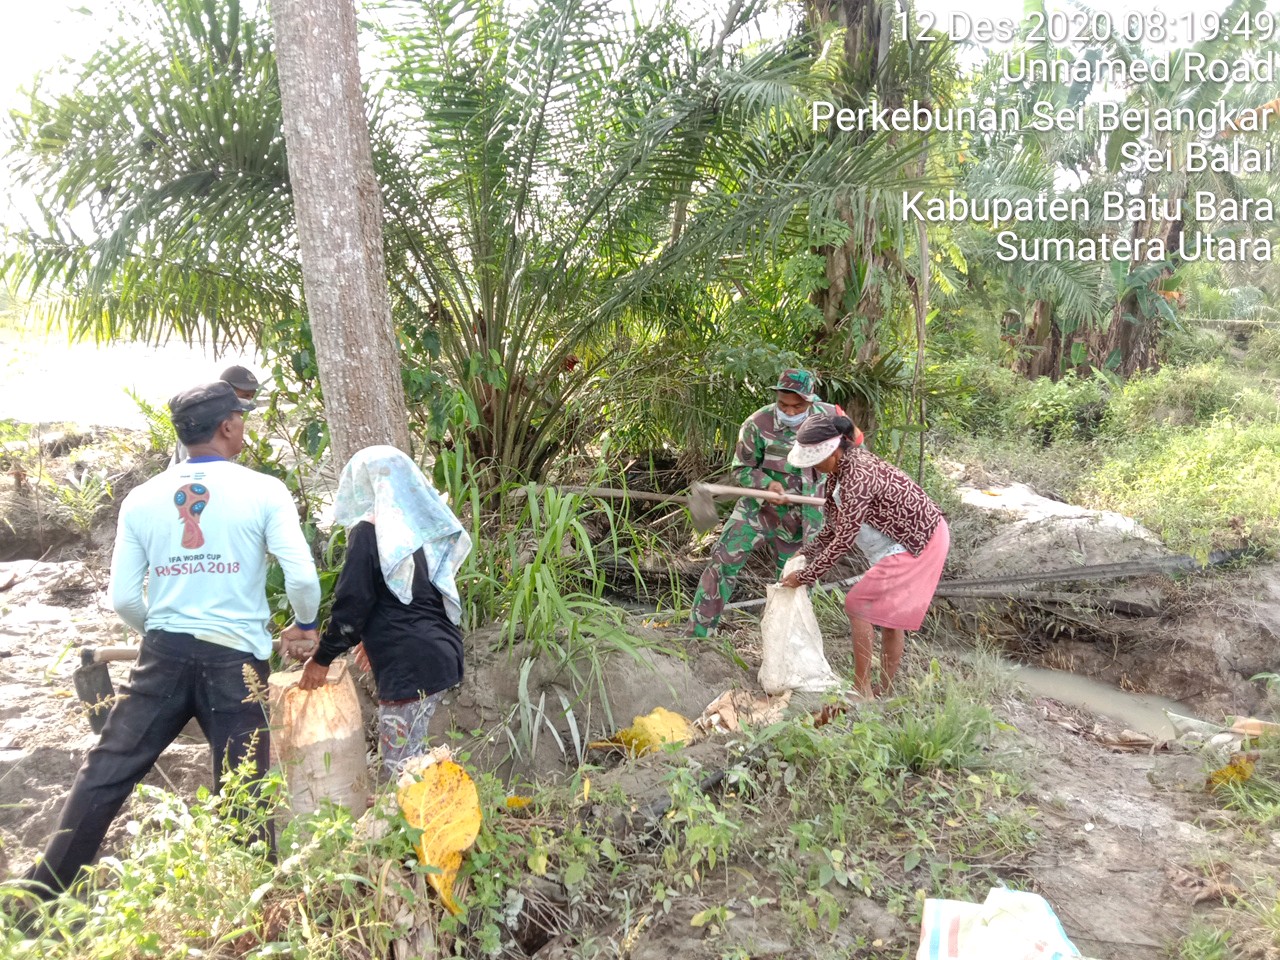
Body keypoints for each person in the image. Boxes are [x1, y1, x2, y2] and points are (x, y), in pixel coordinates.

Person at [19, 381, 321, 900]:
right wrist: (305, 623)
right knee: (243, 783)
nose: (242, 427)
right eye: (240, 419)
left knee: (107, 770)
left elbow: (123, 600)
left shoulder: (141, 499)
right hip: (236, 664)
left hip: (163, 655)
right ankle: (246, 907)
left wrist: (160, 634)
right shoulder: (264, 491)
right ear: (228, 426)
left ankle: (39, 897)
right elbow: (302, 577)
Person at [296, 445, 471, 781]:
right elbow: (404, 595)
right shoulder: (417, 530)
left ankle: (414, 827)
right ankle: (436, 821)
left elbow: (352, 606)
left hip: (409, 663)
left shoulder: (368, 531)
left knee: (400, 770)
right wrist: (371, 637)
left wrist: (321, 659)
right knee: (416, 761)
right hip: (439, 650)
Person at [781, 415, 949, 698]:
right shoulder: (837, 473)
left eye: (815, 459)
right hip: (904, 541)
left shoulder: (858, 475)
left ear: (834, 450)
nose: (813, 466)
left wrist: (805, 576)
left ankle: (864, 691)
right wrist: (807, 551)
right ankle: (882, 691)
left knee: (858, 604)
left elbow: (844, 539)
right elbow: (834, 527)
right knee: (889, 621)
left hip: (919, 542)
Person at [688, 369, 844, 637]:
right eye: (784, 404)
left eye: (798, 406)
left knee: (792, 581)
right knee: (722, 561)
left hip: (805, 518)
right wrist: (767, 485)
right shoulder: (757, 423)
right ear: (776, 397)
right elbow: (741, 468)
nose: (791, 411)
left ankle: (782, 644)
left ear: (811, 400)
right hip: (759, 509)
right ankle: (698, 634)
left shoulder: (832, 419)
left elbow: (854, 456)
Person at [171, 365, 261, 465]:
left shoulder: (228, 424)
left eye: (251, 396)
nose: (248, 401)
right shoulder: (200, 425)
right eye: (245, 396)